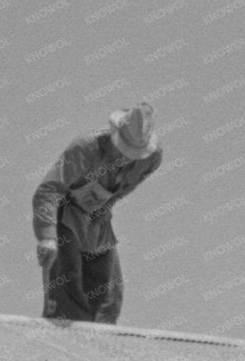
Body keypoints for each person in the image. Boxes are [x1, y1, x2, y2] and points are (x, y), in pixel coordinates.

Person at [31, 102, 163, 322]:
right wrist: (46, 237)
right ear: (115, 134)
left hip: (99, 221)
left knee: (108, 298)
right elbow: (48, 190)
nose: (127, 157)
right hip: (68, 215)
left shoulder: (151, 159)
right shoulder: (85, 148)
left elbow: (123, 190)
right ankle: (63, 338)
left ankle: (99, 349)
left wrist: (101, 211)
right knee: (67, 292)